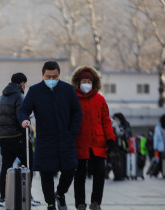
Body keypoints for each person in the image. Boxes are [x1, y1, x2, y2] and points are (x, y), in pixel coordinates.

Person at [18, 61, 82, 210]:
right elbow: (23, 109)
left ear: (59, 75)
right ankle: (51, 203)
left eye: (55, 76)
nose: (52, 79)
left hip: (66, 138)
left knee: (70, 170)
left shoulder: (68, 90)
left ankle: (60, 193)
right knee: (46, 173)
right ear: (43, 75)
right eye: (48, 76)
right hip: (45, 140)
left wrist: (72, 130)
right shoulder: (35, 91)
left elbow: (77, 112)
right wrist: (24, 120)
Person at [71, 66, 116, 210]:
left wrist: (110, 138)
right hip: (79, 141)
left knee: (100, 173)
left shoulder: (100, 99)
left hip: (98, 142)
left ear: (93, 83)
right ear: (78, 82)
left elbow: (106, 120)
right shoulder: (72, 99)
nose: (86, 84)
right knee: (79, 175)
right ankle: (80, 203)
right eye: (83, 81)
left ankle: (96, 202)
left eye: (89, 81)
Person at [0, 73, 41, 207]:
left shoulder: (1, 97)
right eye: (25, 84)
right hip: (17, 137)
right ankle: (27, 196)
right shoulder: (19, 96)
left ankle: (3, 198)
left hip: (4, 137)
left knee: (6, 167)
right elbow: (20, 118)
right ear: (22, 83)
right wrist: (26, 132)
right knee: (28, 165)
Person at [108, 113, 131, 180]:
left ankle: (121, 175)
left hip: (121, 147)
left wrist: (127, 146)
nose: (115, 120)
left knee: (120, 161)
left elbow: (126, 136)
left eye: (116, 119)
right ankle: (118, 175)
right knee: (116, 161)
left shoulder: (124, 125)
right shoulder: (114, 125)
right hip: (115, 147)